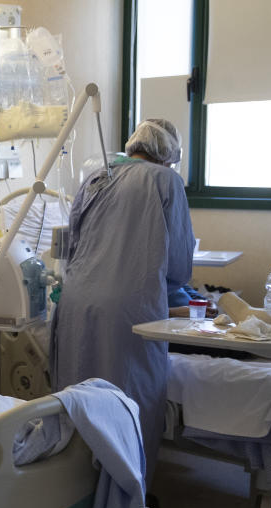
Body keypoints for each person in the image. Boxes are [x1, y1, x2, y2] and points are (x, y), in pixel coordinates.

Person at [50, 118, 194, 486]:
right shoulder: (166, 182)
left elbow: (74, 242)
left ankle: (73, 489)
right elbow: (179, 264)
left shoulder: (97, 177)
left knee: (78, 396)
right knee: (131, 401)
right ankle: (127, 496)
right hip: (130, 311)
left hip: (77, 302)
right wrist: (179, 296)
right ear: (167, 156)